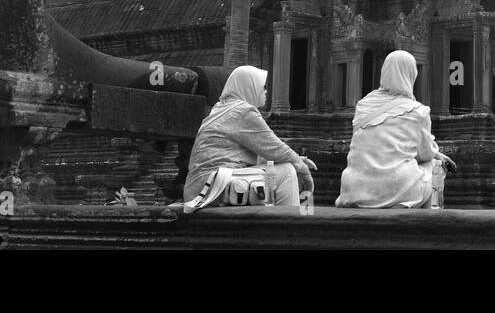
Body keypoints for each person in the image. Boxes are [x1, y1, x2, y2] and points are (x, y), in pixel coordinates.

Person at [183, 65, 316, 208]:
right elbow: (273, 148)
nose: (266, 91)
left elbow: (255, 153)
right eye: (262, 86)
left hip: (198, 187)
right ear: (248, 87)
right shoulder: (242, 111)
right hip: (214, 186)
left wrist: (295, 159)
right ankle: (288, 222)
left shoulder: (220, 109)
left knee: (278, 167)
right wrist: (301, 166)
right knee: (287, 170)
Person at [336, 50, 453, 208]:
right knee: (436, 166)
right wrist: (439, 155)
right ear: (411, 75)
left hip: (353, 190)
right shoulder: (418, 111)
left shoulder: (363, 105)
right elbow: (426, 154)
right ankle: (429, 224)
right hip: (396, 190)